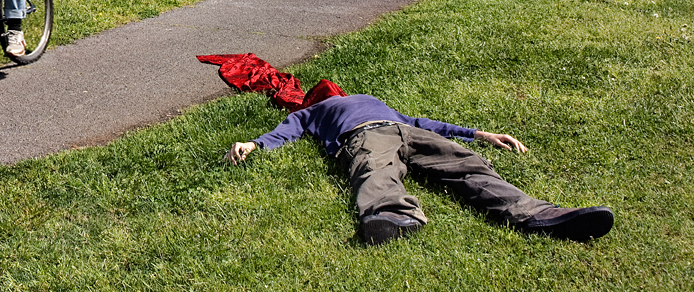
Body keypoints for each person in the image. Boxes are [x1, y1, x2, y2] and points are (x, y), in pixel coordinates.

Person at [226, 93, 615, 245]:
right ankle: (393, 217)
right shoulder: (313, 111)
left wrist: (480, 134)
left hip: (406, 130)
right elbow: (288, 129)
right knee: (375, 169)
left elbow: (423, 123)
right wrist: (255, 144)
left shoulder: (372, 98)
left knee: (467, 163)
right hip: (365, 136)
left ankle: (538, 215)